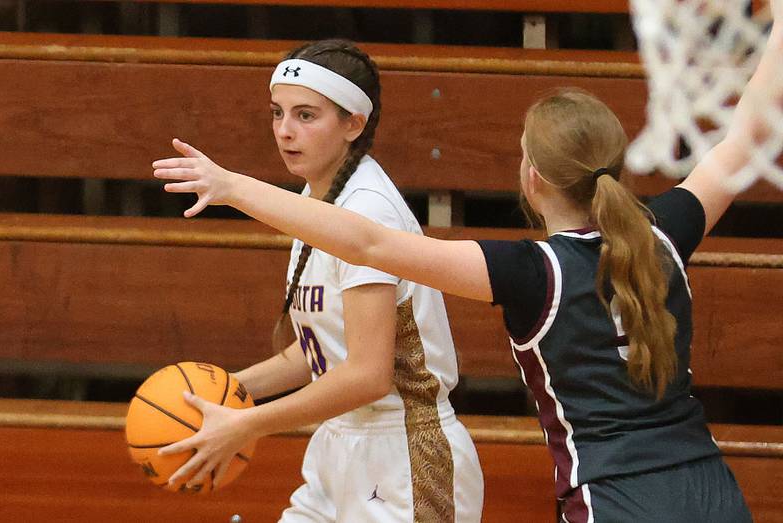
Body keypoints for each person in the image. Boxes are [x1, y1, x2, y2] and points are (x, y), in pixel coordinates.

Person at [154, 5, 782, 520]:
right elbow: (749, 130)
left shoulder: (533, 274)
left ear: (532, 177)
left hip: (613, 499)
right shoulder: (665, 232)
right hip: (711, 490)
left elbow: (368, 244)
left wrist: (233, 187)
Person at [155, 39, 484, 522]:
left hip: (403, 455)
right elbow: (322, 352)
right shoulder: (317, 198)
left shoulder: (368, 209)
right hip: (337, 445)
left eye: (305, 115)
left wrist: (248, 423)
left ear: (354, 124)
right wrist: (225, 390)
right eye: (277, 113)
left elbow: (368, 374)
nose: (285, 130)